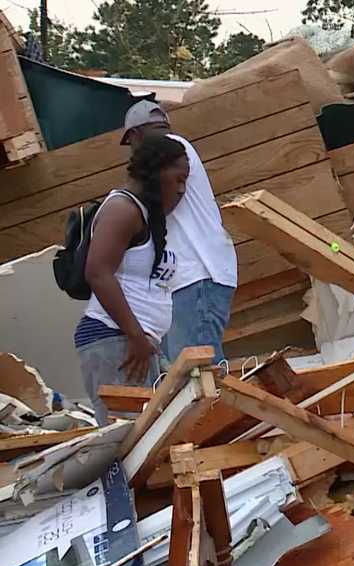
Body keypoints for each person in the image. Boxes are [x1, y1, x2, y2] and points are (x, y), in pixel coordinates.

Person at [75, 136, 187, 425]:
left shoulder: (146, 215)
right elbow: (98, 272)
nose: (181, 189)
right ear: (157, 171)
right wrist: (136, 336)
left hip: (135, 343)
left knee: (149, 437)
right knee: (127, 442)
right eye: (178, 179)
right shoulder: (123, 210)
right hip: (115, 339)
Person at [121, 101, 238, 364]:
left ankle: (220, 407)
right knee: (188, 370)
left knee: (198, 371)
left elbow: (155, 206)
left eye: (131, 145)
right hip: (191, 277)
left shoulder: (173, 151)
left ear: (135, 135)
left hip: (197, 274)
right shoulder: (174, 152)